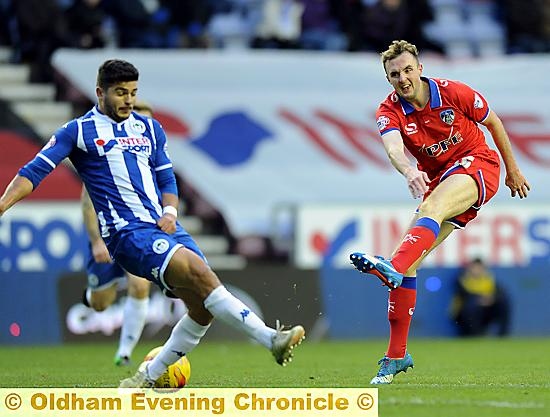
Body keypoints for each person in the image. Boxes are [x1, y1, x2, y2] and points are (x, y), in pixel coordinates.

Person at [0, 59, 305, 388]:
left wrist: (171, 212)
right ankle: (271, 339)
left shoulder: (148, 129)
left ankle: (145, 377)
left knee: (201, 307)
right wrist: (2, 205)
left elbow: (167, 179)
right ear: (100, 93)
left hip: (162, 226)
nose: (128, 100)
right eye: (120, 93)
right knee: (201, 275)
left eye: (132, 92)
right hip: (126, 233)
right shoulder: (78, 131)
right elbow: (33, 173)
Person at [349, 40, 530, 384]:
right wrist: (408, 171)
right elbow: (393, 149)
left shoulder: (452, 93)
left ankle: (393, 270)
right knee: (409, 259)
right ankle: (396, 356)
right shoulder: (388, 111)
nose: (402, 78)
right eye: (394, 74)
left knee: (419, 227)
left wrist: (513, 171)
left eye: (406, 70)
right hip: (441, 181)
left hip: (479, 165)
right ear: (388, 79)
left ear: (419, 68)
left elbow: (494, 123)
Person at [81, 100, 154, 367]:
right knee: (101, 303)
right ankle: (90, 296)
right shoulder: (106, 157)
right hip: (107, 236)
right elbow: (88, 202)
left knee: (139, 284)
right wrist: (97, 241)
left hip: (139, 234)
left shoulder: (155, 160)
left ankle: (124, 353)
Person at [449, 257, 511, 337]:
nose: (477, 270)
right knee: (472, 304)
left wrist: (491, 298)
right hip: (464, 314)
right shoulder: (462, 279)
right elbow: (464, 294)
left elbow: (499, 292)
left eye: (479, 268)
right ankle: (474, 334)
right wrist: (480, 298)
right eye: (475, 268)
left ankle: (503, 334)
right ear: (469, 268)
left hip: (484, 312)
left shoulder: (488, 279)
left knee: (503, 301)